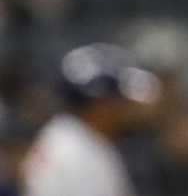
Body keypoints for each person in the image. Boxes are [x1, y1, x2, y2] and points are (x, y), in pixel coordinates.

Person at [19, 45, 160, 196]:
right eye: (119, 101)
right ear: (100, 105)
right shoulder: (71, 152)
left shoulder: (80, 140)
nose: (127, 108)